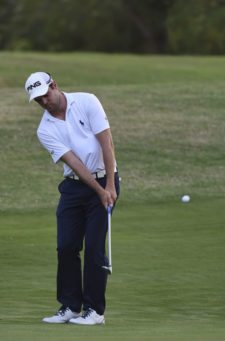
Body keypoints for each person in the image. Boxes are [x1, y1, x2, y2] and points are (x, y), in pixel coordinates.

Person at [24, 72, 120, 325]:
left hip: (104, 178)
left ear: (54, 86)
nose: (43, 102)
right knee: (66, 245)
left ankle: (95, 311)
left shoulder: (87, 101)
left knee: (95, 248)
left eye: (45, 95)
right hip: (75, 187)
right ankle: (70, 306)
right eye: (38, 100)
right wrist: (98, 191)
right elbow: (74, 162)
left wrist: (109, 185)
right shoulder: (44, 129)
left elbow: (106, 143)